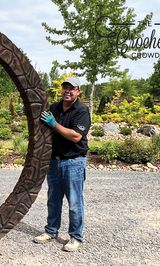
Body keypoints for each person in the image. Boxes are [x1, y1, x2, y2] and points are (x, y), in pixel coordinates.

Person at [33, 77, 91, 252]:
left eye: (72, 88)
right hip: (54, 162)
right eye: (65, 88)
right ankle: (51, 231)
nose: (68, 91)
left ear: (78, 91)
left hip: (74, 162)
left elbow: (76, 136)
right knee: (53, 200)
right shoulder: (54, 108)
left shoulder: (81, 111)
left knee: (74, 202)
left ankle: (75, 237)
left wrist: (54, 124)